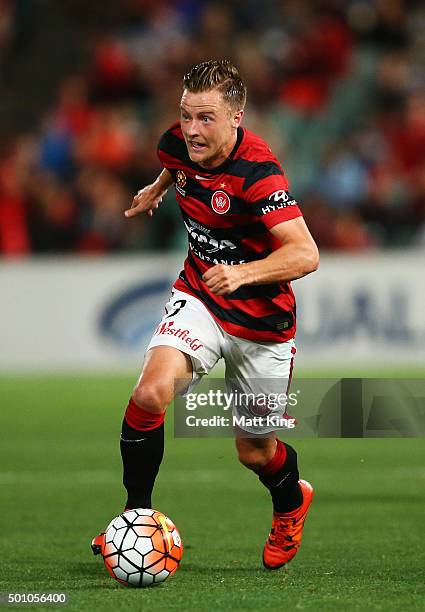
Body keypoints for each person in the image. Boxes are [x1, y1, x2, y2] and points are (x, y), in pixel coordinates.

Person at [92, 60, 319, 570]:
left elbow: (305, 254)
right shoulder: (175, 144)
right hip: (200, 295)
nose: (193, 129)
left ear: (236, 117)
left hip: (261, 322)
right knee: (149, 393)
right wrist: (158, 187)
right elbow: (180, 165)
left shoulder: (259, 173)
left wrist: (243, 273)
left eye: (207, 118)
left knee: (254, 452)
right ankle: (136, 519)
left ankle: (290, 502)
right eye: (186, 114)